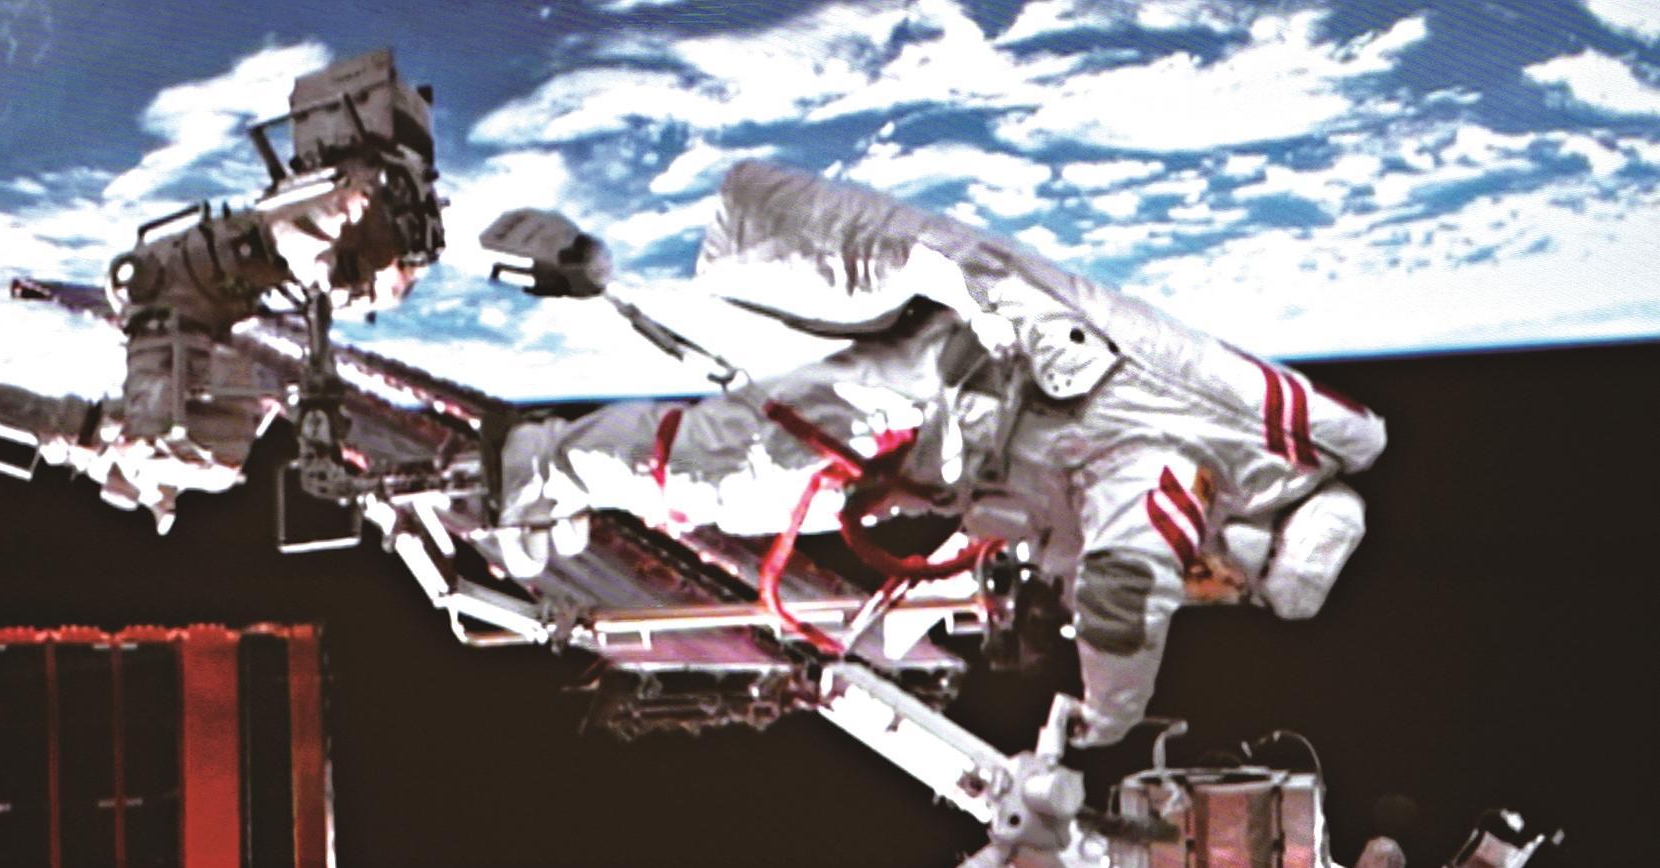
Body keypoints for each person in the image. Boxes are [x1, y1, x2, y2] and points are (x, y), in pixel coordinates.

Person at [494, 162, 1387, 746]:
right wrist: (1108, 717)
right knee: (735, 478)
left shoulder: (1224, 441)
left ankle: (565, 470)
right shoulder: (1188, 475)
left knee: (743, 467)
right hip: (927, 404)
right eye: (1224, 583)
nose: (1208, 587)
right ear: (1254, 540)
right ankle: (537, 464)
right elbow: (1123, 591)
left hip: (946, 427)